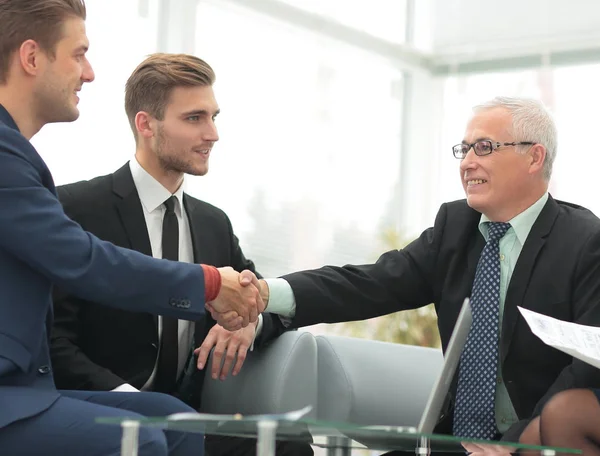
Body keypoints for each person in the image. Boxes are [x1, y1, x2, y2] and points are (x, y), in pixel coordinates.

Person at [241, 96, 600, 451]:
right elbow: (369, 284)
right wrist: (264, 294)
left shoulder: (586, 242)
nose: (468, 163)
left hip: (541, 443)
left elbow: (584, 369)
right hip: (455, 444)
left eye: (485, 148)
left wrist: (519, 443)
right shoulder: (455, 227)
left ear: (534, 157)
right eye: (465, 149)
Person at [0, 1, 262, 455]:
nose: (90, 73)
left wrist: (246, 319)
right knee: (139, 438)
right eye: (78, 53)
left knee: (173, 420)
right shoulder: (13, 164)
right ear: (30, 57)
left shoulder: (18, 158)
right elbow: (84, 260)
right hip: (14, 393)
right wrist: (209, 282)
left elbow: (256, 294)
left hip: (27, 389)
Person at [50, 52, 312, 456]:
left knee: (289, 443)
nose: (212, 134)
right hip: (98, 412)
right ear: (146, 124)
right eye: (194, 118)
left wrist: (247, 323)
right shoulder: (77, 208)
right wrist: (130, 402)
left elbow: (267, 301)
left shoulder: (213, 225)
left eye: (213, 116)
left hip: (187, 419)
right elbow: (54, 341)